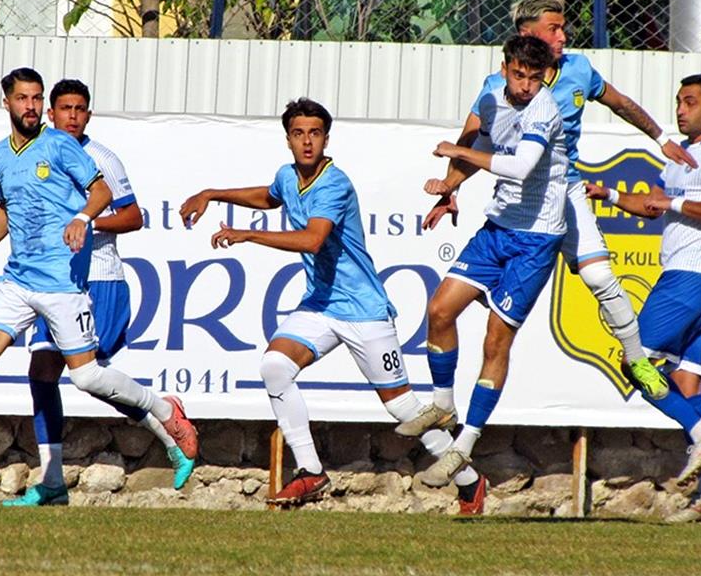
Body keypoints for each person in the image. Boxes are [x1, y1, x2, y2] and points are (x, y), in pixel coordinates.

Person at [179, 99, 485, 512]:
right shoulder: (288, 176)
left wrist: (246, 236)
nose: (307, 141)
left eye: (315, 133)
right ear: (287, 139)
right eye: (299, 133)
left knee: (403, 407)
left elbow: (312, 239)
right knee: (274, 366)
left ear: (326, 138)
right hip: (320, 305)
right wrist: (213, 194)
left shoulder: (334, 183)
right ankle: (310, 471)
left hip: (364, 311)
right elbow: (270, 196)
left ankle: (469, 482)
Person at [0, 68, 197, 491]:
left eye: (37, 99)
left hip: (63, 283)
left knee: (87, 376)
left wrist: (82, 218)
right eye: (24, 99)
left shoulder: (61, 146)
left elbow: (104, 193)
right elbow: (9, 209)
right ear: (8, 103)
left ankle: (164, 411)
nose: (32, 107)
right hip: (19, 280)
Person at [426, 0, 691, 399]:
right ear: (525, 34)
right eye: (553, 28)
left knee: (600, 276)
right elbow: (471, 138)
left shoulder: (579, 69)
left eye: (563, 27)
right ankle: (450, 404)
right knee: (463, 307)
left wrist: (661, 138)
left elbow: (619, 102)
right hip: (518, 201)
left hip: (565, 190)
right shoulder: (498, 87)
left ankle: (637, 359)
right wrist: (450, 186)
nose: (563, 35)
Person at [402, 35, 567, 489]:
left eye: (536, 78)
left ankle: (464, 444)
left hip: (536, 239)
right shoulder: (491, 92)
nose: (527, 86)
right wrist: (450, 188)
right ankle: (442, 404)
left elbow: (518, 166)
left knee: (495, 342)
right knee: (439, 310)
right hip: (498, 229)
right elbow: (475, 137)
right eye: (520, 75)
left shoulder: (544, 110)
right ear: (505, 67)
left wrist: (459, 155)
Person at [586, 74, 701, 523]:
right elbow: (654, 203)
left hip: (691, 278)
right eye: (677, 102)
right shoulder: (677, 157)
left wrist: (673, 204)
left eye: (690, 102)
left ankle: (700, 431)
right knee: (687, 384)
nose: (680, 110)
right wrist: (612, 194)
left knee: (633, 361)